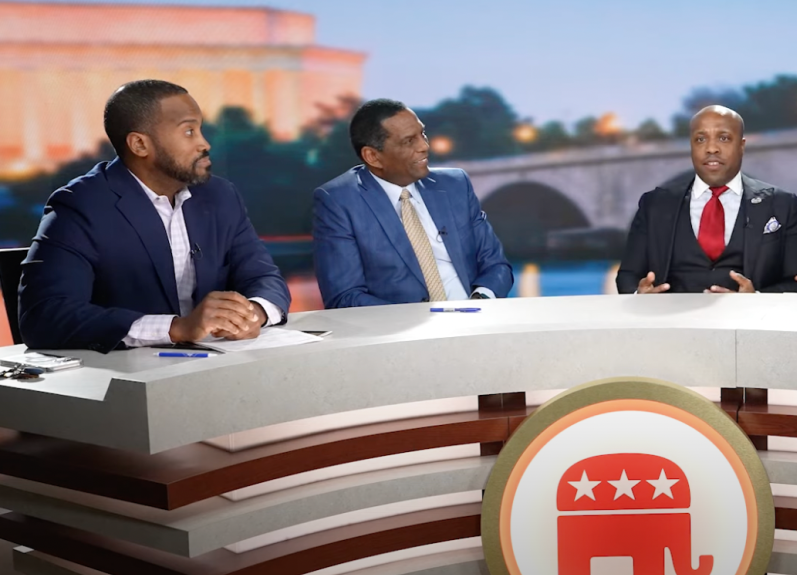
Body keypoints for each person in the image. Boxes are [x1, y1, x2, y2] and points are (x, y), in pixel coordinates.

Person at [18, 80, 290, 351]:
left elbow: (265, 278)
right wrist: (177, 328)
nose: (204, 144)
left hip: (218, 369)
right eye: (188, 132)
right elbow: (45, 315)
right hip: (126, 380)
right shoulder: (81, 205)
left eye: (200, 129)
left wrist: (253, 313)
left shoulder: (220, 195)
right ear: (139, 145)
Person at [313, 99, 513, 308]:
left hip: (476, 318)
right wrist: (425, 320)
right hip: (403, 331)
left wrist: (479, 302)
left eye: (422, 134)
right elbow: (345, 297)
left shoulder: (456, 185)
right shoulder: (337, 201)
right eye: (409, 141)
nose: (424, 147)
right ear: (373, 156)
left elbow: (496, 266)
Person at [616, 105, 797, 294]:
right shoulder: (654, 204)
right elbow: (627, 276)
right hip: (673, 325)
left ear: (741, 146)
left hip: (749, 325)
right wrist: (639, 296)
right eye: (700, 139)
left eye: (724, 138)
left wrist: (757, 300)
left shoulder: (782, 204)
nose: (711, 148)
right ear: (691, 146)